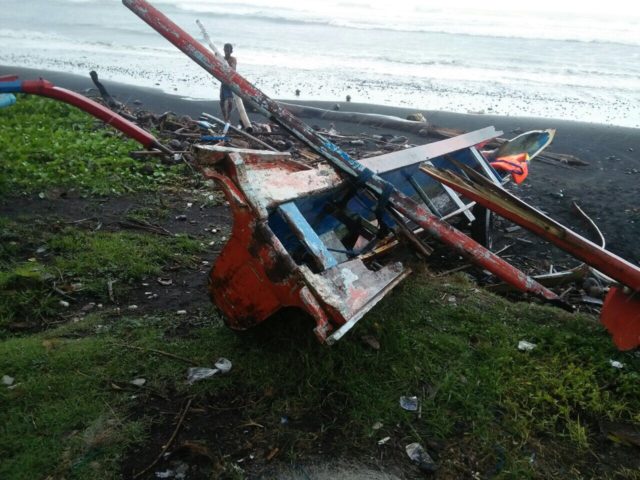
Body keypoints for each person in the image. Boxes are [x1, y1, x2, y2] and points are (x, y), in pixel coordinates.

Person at [220, 43, 237, 123]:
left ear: (231, 51)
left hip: (230, 83)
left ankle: (228, 118)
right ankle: (225, 118)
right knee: (222, 101)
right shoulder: (221, 59)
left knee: (230, 101)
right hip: (223, 82)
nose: (227, 51)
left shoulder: (232, 59)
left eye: (228, 50)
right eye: (226, 49)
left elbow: (233, 69)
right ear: (224, 50)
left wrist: (229, 69)